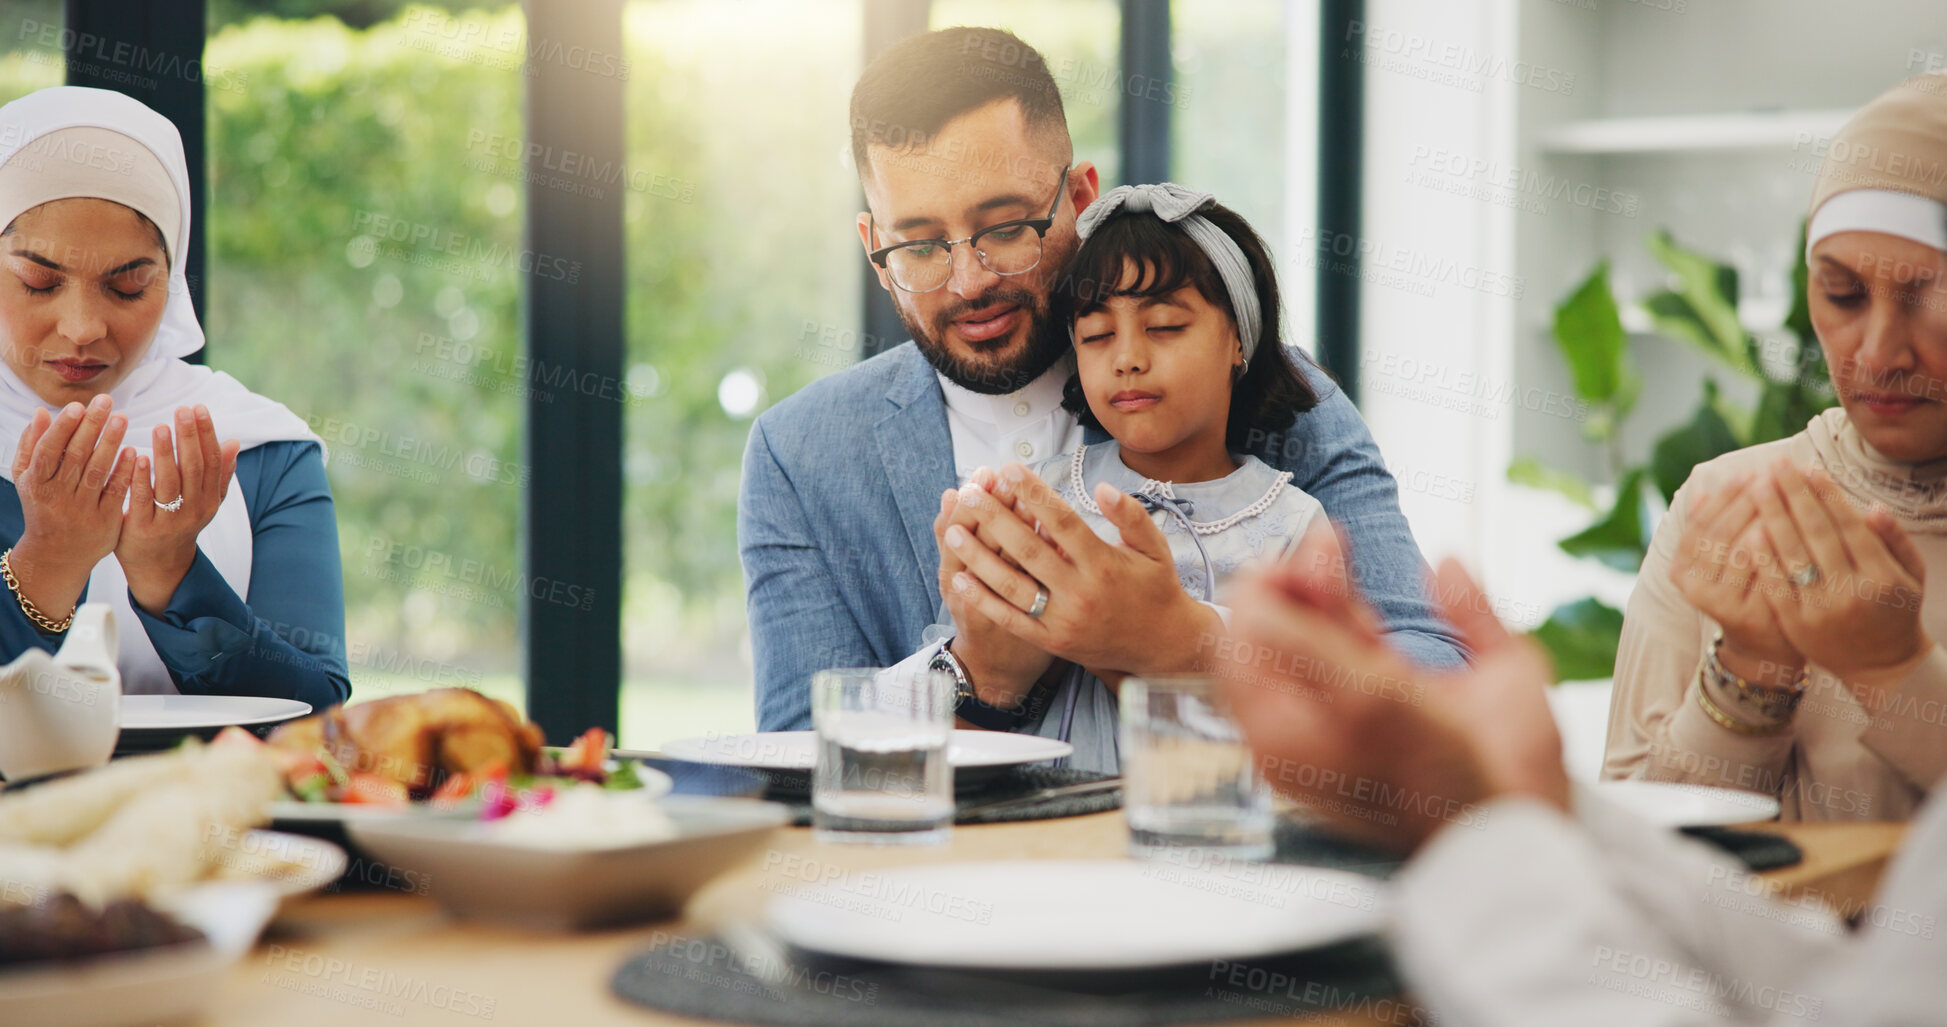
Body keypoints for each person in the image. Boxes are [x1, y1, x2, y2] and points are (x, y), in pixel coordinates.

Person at [739, 26, 1464, 734]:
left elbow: (1442, 687)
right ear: (873, 246)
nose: (967, 282)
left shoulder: (1271, 390)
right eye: (921, 245)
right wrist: (975, 675)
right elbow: (794, 753)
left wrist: (1183, 641)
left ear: (1081, 197)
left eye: (1005, 227)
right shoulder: (798, 454)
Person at [1217, 530, 1947, 1026]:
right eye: (1843, 292)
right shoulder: (1717, 508)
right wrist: (1537, 806)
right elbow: (1841, 996)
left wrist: (1453, 816)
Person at [1605, 73, 1947, 821]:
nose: (1879, 353)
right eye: (1842, 295)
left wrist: (1894, 671)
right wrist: (1748, 674)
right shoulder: (1733, 507)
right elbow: (1633, 860)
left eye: (1927, 296)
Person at [949, 180, 1336, 771]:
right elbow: (971, 706)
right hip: (1047, 835)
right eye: (1098, 336)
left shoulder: (1293, 525)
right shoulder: (1039, 499)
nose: (1127, 357)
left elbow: (1324, 720)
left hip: (1214, 844)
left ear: (1240, 339)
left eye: (1164, 327)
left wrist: (1131, 639)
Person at [0, 86, 347, 709]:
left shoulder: (259, 449)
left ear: (173, 279)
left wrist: (173, 576)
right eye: (39, 280)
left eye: (129, 286)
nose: (82, 328)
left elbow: (316, 710)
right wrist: (47, 562)